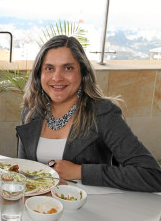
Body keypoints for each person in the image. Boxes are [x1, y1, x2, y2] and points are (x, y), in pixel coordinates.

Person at [16, 35, 161, 192]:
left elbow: (152, 175)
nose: (57, 77)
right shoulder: (30, 112)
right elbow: (23, 170)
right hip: (41, 209)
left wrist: (79, 171)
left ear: (82, 73)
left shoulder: (103, 113)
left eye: (68, 68)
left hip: (92, 210)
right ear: (39, 74)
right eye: (49, 68)